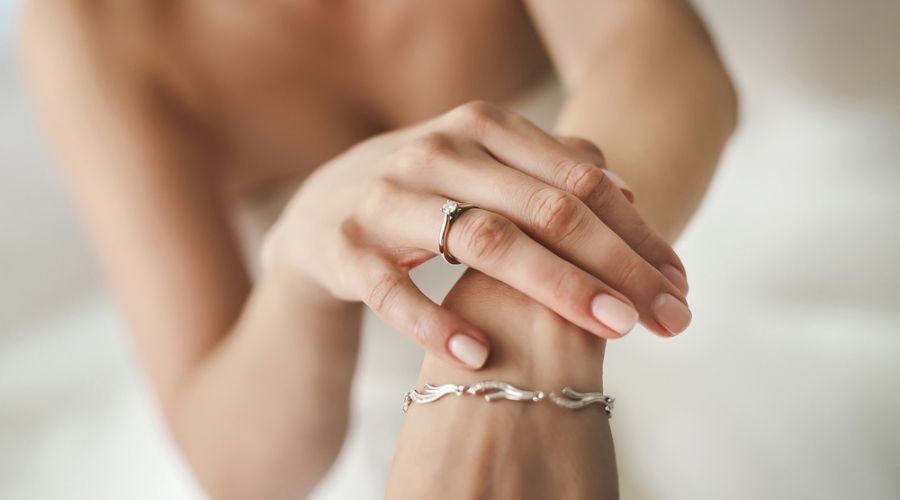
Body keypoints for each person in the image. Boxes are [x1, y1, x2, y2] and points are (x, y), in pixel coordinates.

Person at [19, 0, 737, 498]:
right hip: (323, 416)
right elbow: (226, 459)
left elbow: (656, 50)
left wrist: (523, 318)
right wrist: (296, 275)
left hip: (662, 311)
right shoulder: (86, 25)